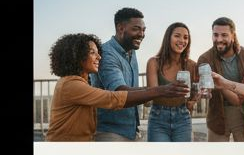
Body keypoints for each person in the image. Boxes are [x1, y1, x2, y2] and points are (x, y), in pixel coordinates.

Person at [44, 33, 185, 141]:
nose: (99, 57)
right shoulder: (71, 85)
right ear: (76, 56)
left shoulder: (81, 82)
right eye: (92, 52)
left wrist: (156, 90)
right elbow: (113, 98)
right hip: (63, 151)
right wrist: (161, 90)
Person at [196, 17, 244, 142]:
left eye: (224, 35)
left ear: (233, 36)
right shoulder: (205, 58)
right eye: (215, 35)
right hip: (218, 114)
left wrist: (221, 85)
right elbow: (202, 87)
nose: (219, 39)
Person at [92, 8, 147, 141]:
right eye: (136, 29)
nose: (142, 34)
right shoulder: (106, 53)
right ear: (120, 28)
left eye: (144, 30)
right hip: (110, 132)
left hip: (131, 130)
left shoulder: (131, 50)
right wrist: (159, 91)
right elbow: (120, 93)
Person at [144, 22, 197, 142]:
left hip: (183, 117)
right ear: (168, 38)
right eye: (177, 36)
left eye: (185, 37)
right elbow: (153, 93)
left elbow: (197, 89)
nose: (182, 40)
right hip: (158, 118)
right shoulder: (153, 62)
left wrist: (193, 100)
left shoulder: (191, 65)